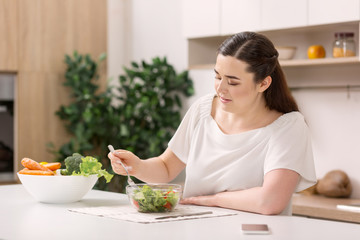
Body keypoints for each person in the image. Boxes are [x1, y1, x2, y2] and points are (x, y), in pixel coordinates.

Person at [108, 31, 317, 215]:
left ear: (263, 83)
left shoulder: (288, 126)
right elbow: (165, 168)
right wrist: (137, 166)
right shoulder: (203, 110)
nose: (221, 88)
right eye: (218, 77)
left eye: (233, 82)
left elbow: (270, 201)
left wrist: (212, 200)